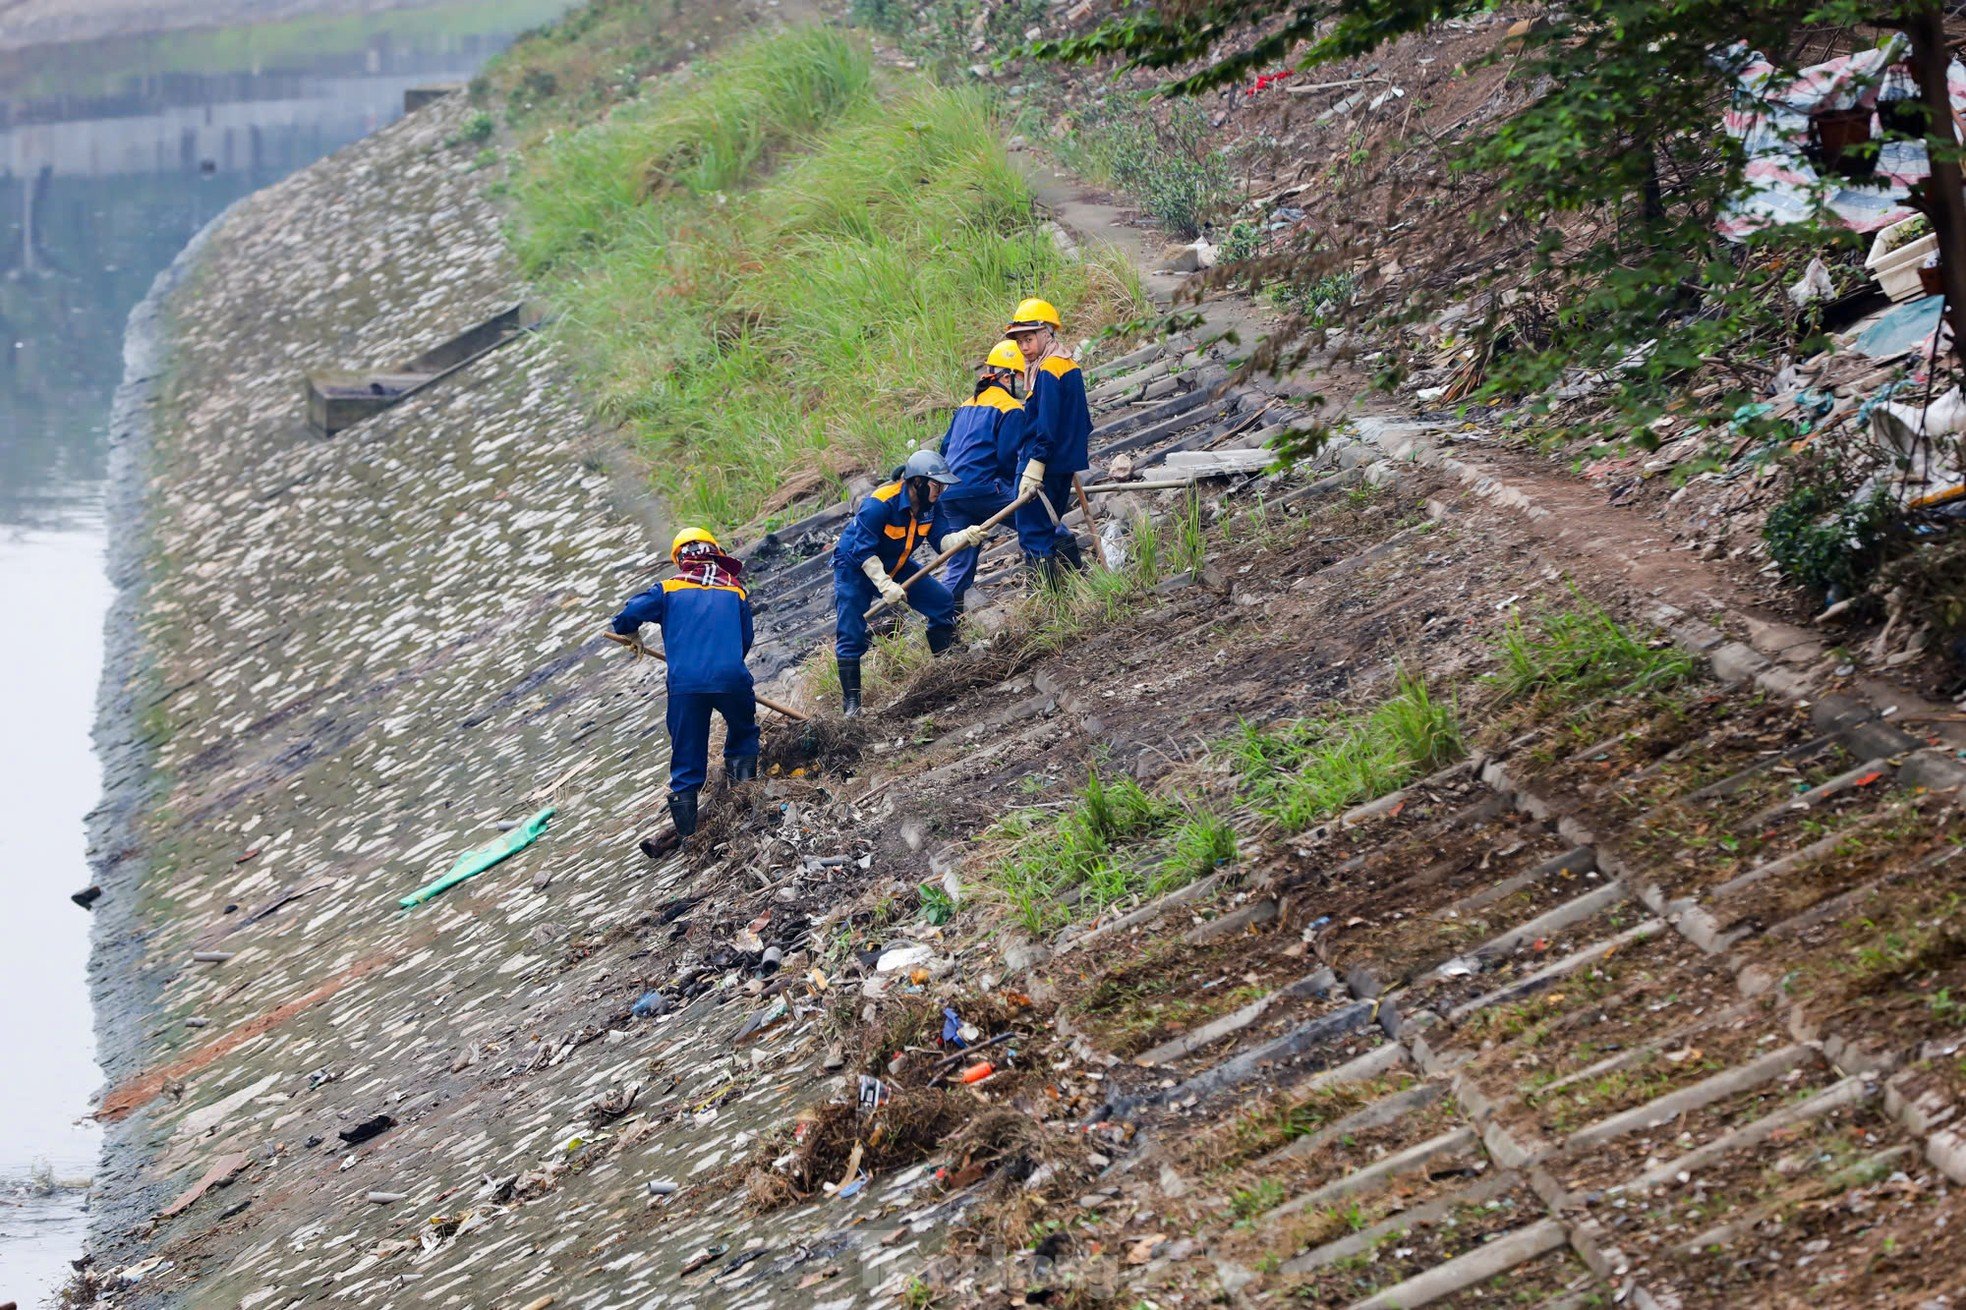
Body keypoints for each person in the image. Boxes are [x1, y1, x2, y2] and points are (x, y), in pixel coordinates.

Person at [607, 527, 758, 840]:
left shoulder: (667, 589)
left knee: (687, 758)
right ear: (716, 553)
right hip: (731, 677)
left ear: (680, 560)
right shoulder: (735, 589)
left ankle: (689, 838)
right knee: (743, 734)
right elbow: (746, 640)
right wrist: (726, 664)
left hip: (686, 685)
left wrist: (630, 632)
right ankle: (745, 807)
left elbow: (626, 615)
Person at [832, 448, 982, 717]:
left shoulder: (931, 508)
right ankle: (852, 704)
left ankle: (946, 663)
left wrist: (962, 538)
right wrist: (885, 585)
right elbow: (863, 551)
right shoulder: (878, 505)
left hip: (895, 563)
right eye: (937, 485)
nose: (941, 491)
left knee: (942, 602)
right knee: (851, 632)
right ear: (917, 482)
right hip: (854, 567)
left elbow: (941, 542)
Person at [932, 339, 1029, 615]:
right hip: (984, 490)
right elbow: (1008, 458)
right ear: (1007, 377)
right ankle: (1054, 591)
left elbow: (945, 448)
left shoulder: (966, 405)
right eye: (1020, 376)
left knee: (960, 562)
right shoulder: (1011, 409)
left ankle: (942, 629)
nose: (1023, 382)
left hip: (949, 494)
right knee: (1039, 524)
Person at [1004, 297, 1092, 585]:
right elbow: (1082, 421)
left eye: (1029, 339)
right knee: (1049, 525)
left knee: (1033, 529)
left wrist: (1037, 461)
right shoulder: (1067, 364)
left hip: (1042, 461)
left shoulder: (1049, 369)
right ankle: (1070, 586)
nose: (1024, 347)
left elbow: (1047, 422)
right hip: (1062, 461)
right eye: (1020, 342)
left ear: (1046, 333)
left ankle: (1049, 599)